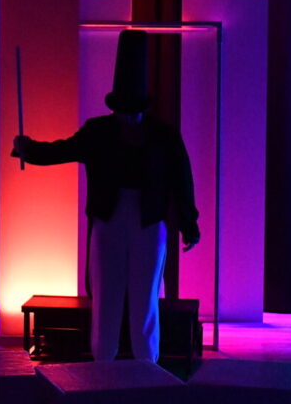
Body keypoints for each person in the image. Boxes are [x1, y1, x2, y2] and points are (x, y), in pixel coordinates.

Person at [13, 29, 199, 363]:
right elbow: (62, 150)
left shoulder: (163, 136)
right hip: (109, 219)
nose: (127, 117)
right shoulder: (99, 132)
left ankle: (146, 371)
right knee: (106, 299)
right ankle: (103, 371)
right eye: (124, 110)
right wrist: (29, 149)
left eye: (132, 110)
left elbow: (181, 179)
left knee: (145, 300)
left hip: (147, 220)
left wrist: (189, 222)